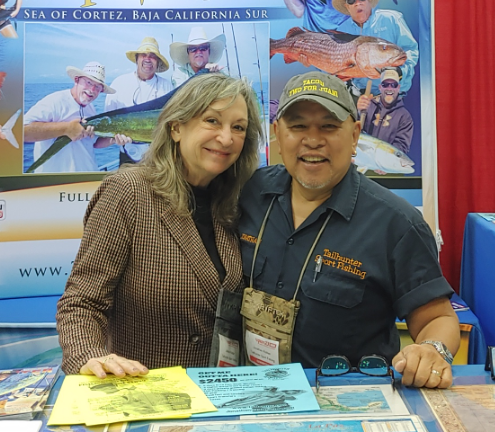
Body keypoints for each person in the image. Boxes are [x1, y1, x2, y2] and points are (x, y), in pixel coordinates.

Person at [238, 72, 459, 387]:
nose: (313, 140)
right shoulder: (250, 193)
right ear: (277, 133)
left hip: (347, 402)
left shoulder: (397, 224)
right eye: (298, 126)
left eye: (329, 126)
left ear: (355, 135)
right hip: (250, 393)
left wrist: (432, 350)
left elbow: (437, 318)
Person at [56, 74, 264, 375]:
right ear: (176, 128)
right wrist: (89, 355)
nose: (226, 138)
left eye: (238, 127)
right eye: (212, 121)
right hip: (146, 393)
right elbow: (82, 302)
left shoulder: (239, 201)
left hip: (223, 391)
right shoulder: (128, 192)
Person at [23, 62, 128, 174]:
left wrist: (113, 139)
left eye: (97, 87)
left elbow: (95, 143)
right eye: (88, 82)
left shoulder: (91, 109)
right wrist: (66, 129)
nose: (92, 89)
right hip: (56, 181)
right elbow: (22, 132)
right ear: (77, 80)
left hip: (88, 176)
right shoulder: (54, 101)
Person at [332, 0, 418, 93]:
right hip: (361, 95)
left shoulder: (392, 19)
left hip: (393, 94)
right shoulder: (342, 30)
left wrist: (400, 72)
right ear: (347, 6)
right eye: (351, 0)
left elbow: (411, 51)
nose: (358, 3)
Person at [106, 38, 176, 163]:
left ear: (158, 62)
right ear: (137, 58)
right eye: (144, 55)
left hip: (158, 158)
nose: (148, 59)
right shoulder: (119, 83)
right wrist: (114, 139)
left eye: (153, 56)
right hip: (127, 157)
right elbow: (108, 122)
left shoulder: (167, 86)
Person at [358, 69, 412, 153]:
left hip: (384, 160)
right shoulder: (367, 106)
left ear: (398, 88)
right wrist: (358, 111)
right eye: (385, 84)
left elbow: (401, 148)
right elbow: (353, 132)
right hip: (363, 157)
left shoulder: (405, 117)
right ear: (380, 87)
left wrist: (379, 158)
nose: (389, 88)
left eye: (393, 85)